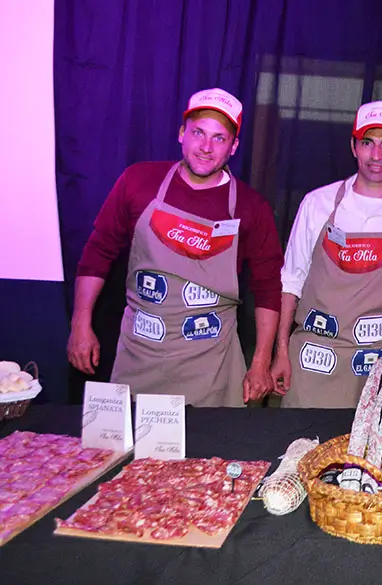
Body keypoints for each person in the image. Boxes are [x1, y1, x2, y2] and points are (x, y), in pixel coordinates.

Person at [68, 88, 283, 406]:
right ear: (182, 133)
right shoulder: (138, 182)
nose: (206, 147)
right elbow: (98, 253)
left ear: (234, 147)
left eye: (219, 138)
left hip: (211, 367)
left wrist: (261, 362)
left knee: (210, 441)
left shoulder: (252, 207)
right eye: (198, 133)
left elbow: (268, 289)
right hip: (140, 357)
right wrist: (80, 323)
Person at [272, 101, 382, 408]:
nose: (376, 155)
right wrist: (280, 352)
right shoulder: (317, 204)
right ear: (353, 146)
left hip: (377, 374)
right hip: (309, 366)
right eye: (367, 143)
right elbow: (290, 283)